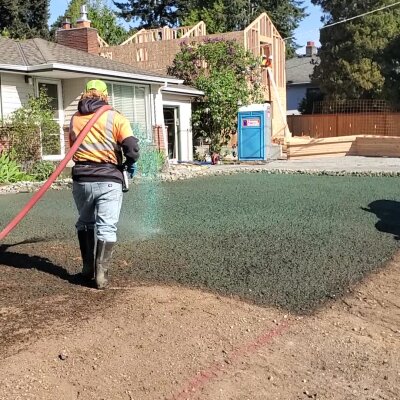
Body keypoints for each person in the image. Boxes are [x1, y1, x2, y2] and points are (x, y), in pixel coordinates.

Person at [69, 79, 139, 289]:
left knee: (85, 222)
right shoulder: (116, 117)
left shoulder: (75, 119)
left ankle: (87, 268)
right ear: (105, 95)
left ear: (85, 94)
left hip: (82, 180)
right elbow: (132, 148)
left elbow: (73, 148)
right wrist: (130, 163)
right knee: (106, 227)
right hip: (109, 179)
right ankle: (101, 276)